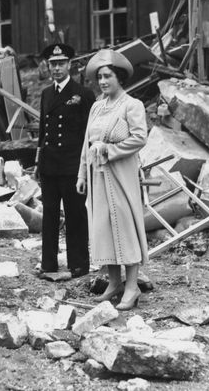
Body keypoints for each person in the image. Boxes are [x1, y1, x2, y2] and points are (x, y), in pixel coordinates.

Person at [76, 49, 148, 310]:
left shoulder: (132, 105)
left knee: (125, 226)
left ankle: (132, 286)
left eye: (108, 76)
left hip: (121, 175)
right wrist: (82, 173)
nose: (103, 82)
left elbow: (140, 138)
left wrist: (110, 150)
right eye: (100, 78)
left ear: (119, 77)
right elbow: (88, 142)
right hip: (97, 177)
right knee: (103, 228)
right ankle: (114, 282)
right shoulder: (97, 106)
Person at [36, 43, 95, 278]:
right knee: (49, 216)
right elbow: (42, 131)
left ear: (70, 64)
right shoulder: (46, 94)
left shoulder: (83, 94)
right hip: (50, 166)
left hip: (73, 166)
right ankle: (48, 264)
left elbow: (89, 134)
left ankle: (79, 265)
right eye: (53, 64)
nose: (57, 68)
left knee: (75, 216)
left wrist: (86, 168)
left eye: (61, 63)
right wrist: (39, 162)